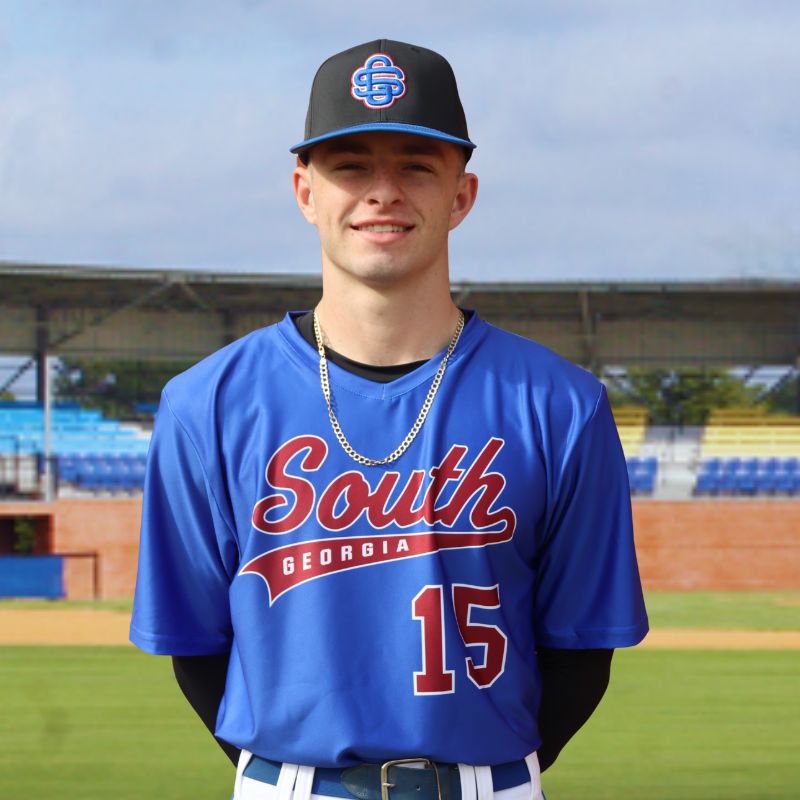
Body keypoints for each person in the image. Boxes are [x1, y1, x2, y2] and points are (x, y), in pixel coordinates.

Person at [130, 39, 649, 800]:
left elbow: (579, 655)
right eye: (350, 167)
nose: (383, 192)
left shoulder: (561, 404)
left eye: (415, 165)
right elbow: (198, 649)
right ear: (306, 192)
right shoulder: (204, 403)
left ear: (461, 195)